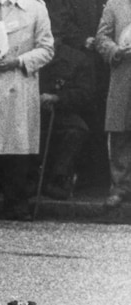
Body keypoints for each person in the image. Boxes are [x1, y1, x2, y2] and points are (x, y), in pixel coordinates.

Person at [0, 0, 54, 220]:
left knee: (17, 140)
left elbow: (47, 48)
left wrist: (19, 60)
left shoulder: (36, 8)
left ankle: (17, 203)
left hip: (19, 85)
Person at [34, 42, 96, 200]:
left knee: (77, 129)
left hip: (60, 111)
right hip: (27, 111)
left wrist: (58, 98)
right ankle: (27, 180)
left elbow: (84, 93)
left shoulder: (76, 59)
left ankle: (58, 179)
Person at [95, 0, 131, 208]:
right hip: (123, 75)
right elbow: (101, 37)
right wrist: (115, 51)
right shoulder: (115, 4)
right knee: (120, 132)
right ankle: (120, 187)